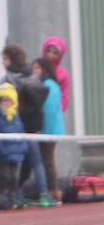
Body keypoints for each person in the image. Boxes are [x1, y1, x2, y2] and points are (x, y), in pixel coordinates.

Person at [0, 43, 51, 207]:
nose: (3, 62)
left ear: (12, 59)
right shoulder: (33, 77)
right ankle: (44, 194)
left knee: (14, 161)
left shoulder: (8, 79)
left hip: (15, 124)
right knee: (37, 161)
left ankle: (15, 195)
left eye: (5, 59)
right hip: (32, 124)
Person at [0, 83, 28, 209]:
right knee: (3, 177)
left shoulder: (16, 118)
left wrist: (23, 148)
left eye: (9, 100)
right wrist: (1, 150)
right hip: (3, 155)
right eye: (4, 100)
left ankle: (13, 197)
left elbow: (21, 133)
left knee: (14, 178)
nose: (6, 103)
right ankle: (2, 199)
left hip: (16, 154)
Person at [32, 56, 65, 203]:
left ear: (44, 69)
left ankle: (53, 191)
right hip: (49, 130)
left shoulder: (49, 86)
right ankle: (51, 190)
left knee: (48, 161)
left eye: (37, 68)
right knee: (47, 160)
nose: (35, 71)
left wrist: (44, 131)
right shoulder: (47, 84)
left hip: (49, 131)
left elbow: (50, 112)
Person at [41, 36, 70, 113]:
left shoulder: (63, 74)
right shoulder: (37, 68)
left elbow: (64, 98)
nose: (50, 55)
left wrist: (54, 111)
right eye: (48, 51)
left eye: (55, 53)